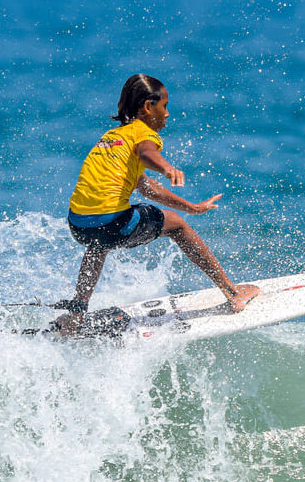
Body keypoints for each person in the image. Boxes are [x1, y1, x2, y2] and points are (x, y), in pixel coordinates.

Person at [55, 73, 259, 333]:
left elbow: (147, 188)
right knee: (176, 225)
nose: (168, 114)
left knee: (98, 242)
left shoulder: (112, 138)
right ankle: (233, 293)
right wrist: (166, 167)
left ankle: (76, 313)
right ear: (148, 107)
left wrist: (193, 207)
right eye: (165, 106)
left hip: (79, 226)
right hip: (111, 223)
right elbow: (147, 153)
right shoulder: (142, 134)